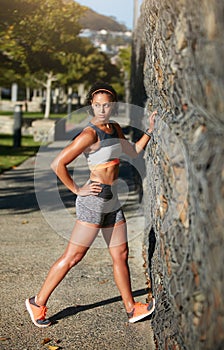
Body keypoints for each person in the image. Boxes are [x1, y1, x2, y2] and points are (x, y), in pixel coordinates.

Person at [25, 82, 157, 328]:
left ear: (113, 105)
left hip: (112, 199)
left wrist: (149, 131)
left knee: (121, 254)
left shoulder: (115, 128)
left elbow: (133, 152)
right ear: (91, 106)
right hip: (93, 201)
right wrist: (77, 189)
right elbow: (58, 163)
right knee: (74, 255)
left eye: (107, 104)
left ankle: (132, 308)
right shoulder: (90, 134)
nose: (102, 109)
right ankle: (37, 301)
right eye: (97, 105)